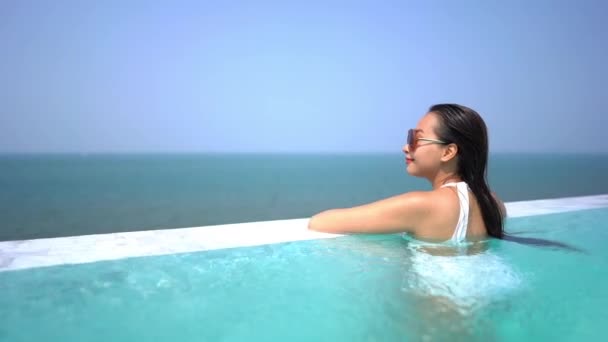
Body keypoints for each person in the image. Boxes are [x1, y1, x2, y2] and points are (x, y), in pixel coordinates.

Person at [308, 103, 507, 244]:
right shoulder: (494, 204)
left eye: (415, 139)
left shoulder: (420, 206)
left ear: (448, 152)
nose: (406, 147)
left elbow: (320, 221)